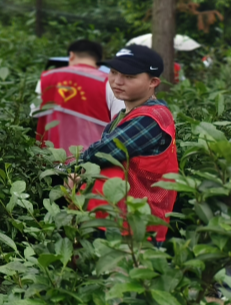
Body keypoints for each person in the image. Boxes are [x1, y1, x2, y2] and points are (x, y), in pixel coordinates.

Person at [76, 45, 179, 242]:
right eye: (113, 72)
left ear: (153, 82)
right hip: (115, 220)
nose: (117, 81)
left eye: (129, 76)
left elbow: (103, 151)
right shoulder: (123, 115)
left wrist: (68, 169)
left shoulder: (152, 118)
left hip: (137, 229)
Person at [34, 40, 125, 157]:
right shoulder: (110, 83)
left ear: (71, 56)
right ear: (99, 60)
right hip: (89, 166)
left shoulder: (46, 78)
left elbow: (35, 113)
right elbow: (120, 124)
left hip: (48, 162)